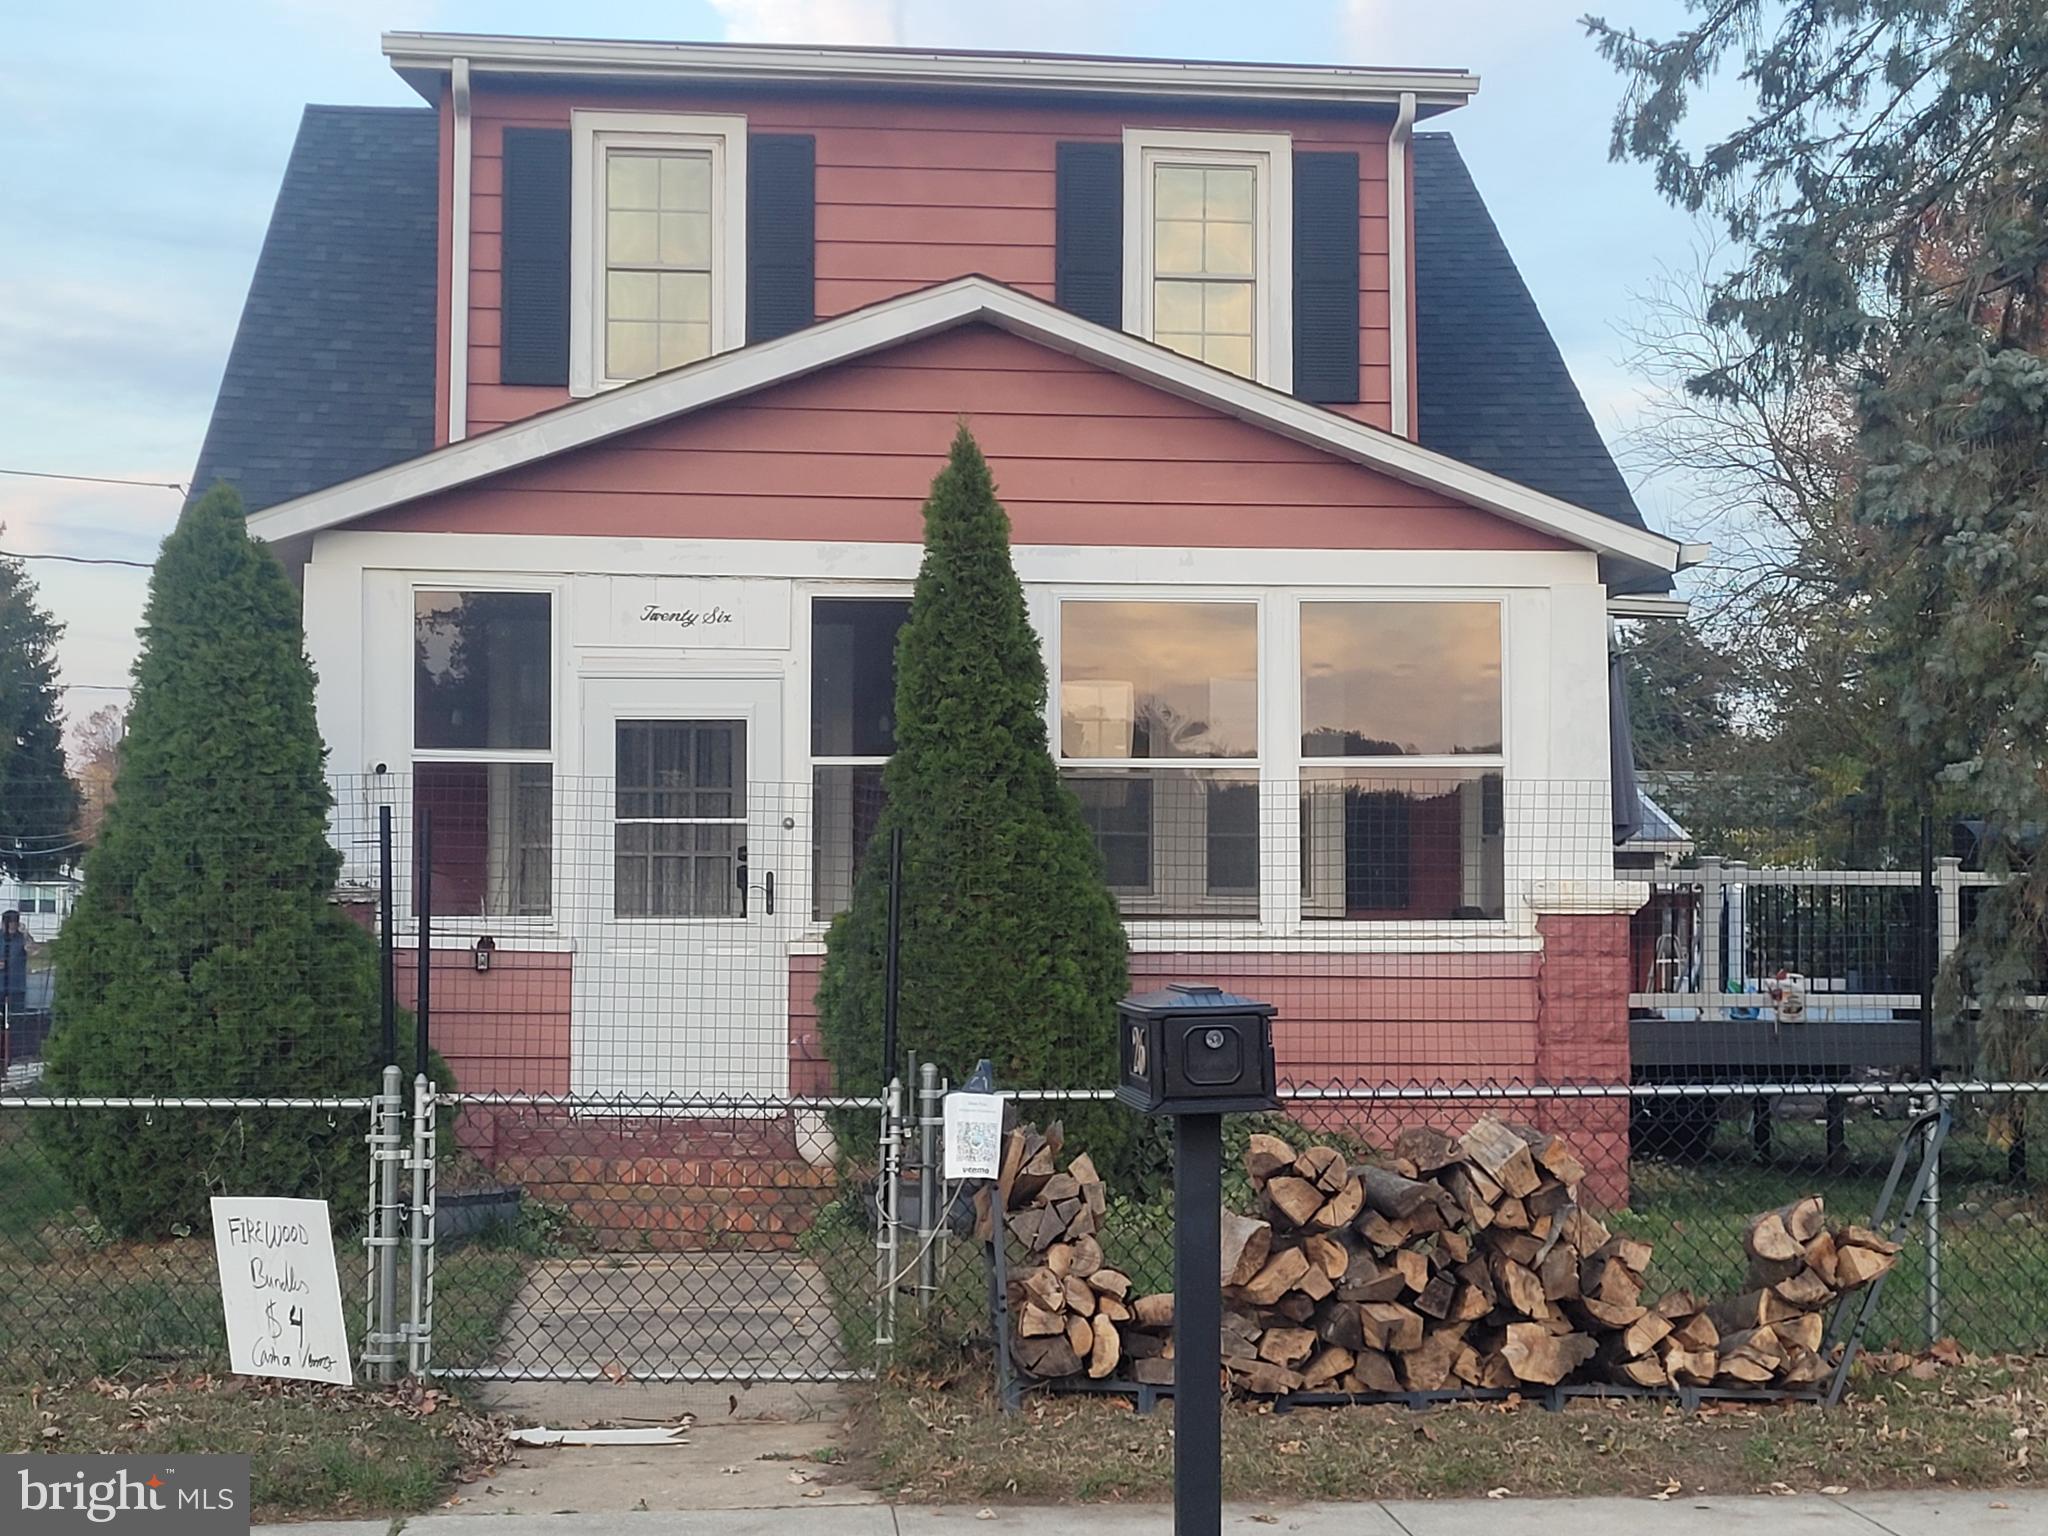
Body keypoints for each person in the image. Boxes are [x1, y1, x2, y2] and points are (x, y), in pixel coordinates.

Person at [1, 909, 32, 1020]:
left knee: (17, 1019)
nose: (12, 928)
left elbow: (33, 950)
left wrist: (26, 934)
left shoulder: (21, 938)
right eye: (10, 925)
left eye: (15, 924)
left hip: (17, 986)